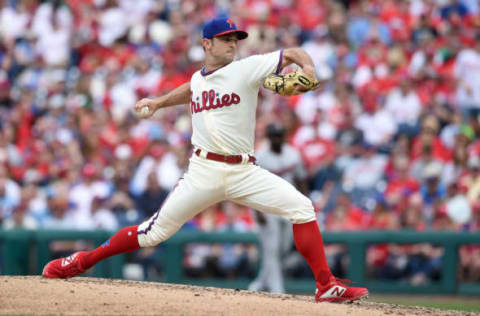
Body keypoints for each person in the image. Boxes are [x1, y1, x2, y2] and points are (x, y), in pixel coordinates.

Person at [42, 17, 368, 302]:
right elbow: (192, 88)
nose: (232, 44)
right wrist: (158, 102)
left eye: (235, 39)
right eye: (226, 39)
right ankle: (83, 260)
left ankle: (325, 285)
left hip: (244, 170)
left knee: (303, 208)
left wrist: (307, 67)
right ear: (206, 44)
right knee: (152, 234)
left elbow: (294, 53)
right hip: (203, 171)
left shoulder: (246, 68)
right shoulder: (200, 79)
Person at [248, 123, 308, 293]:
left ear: (284, 137)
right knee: (272, 249)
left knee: (284, 248)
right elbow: (252, 186)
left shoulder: (293, 155)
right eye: (273, 136)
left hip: (288, 206)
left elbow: (301, 180)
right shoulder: (260, 156)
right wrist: (257, 211)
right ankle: (277, 290)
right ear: (269, 137)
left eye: (279, 135)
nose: (276, 139)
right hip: (266, 206)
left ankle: (260, 282)